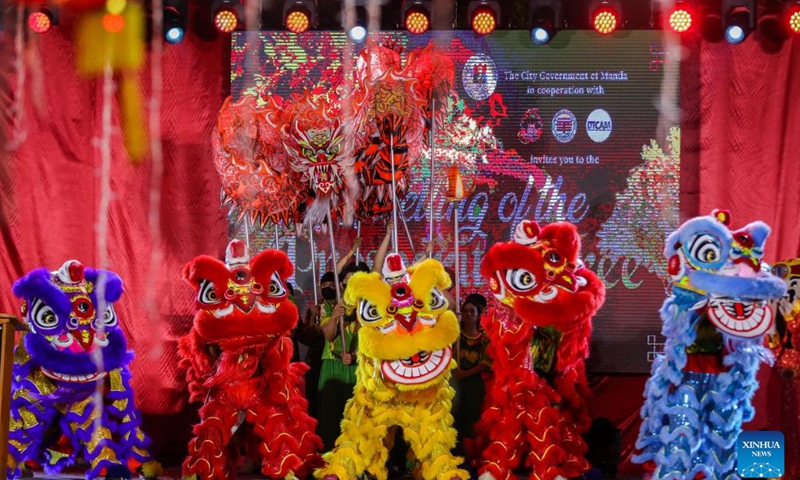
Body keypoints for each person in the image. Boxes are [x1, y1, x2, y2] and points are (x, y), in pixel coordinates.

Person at [453, 293, 491, 457]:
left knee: (473, 417)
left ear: (478, 315)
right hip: (457, 382)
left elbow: (485, 363)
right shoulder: (456, 336)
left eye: (472, 312)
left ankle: (473, 455)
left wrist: (465, 374)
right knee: (456, 416)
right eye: (465, 311)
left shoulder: (484, 338)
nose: (468, 315)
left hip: (475, 383)